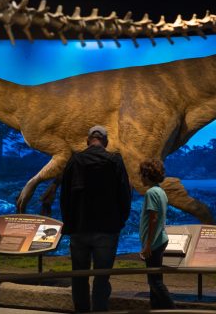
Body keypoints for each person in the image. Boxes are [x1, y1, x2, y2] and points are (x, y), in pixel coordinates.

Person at [60, 125, 132, 312]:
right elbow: (125, 194)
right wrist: (120, 221)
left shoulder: (75, 161)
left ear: (88, 140)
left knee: (79, 276)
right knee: (102, 277)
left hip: (79, 228)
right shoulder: (115, 161)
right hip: (107, 229)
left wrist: (69, 223)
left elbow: (65, 196)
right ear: (106, 142)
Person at [139, 159, 176, 309]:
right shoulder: (161, 191)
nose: (140, 177)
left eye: (141, 174)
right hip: (160, 240)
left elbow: (153, 218)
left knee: (155, 281)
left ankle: (173, 310)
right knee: (154, 280)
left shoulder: (151, 192)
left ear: (147, 175)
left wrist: (148, 245)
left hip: (154, 243)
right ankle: (157, 309)